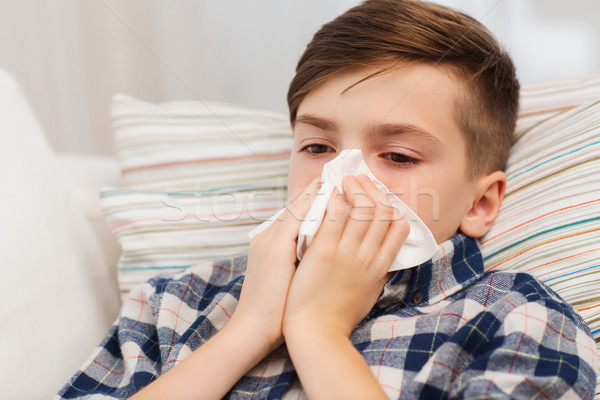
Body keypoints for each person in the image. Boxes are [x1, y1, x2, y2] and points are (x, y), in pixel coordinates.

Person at [57, 1, 598, 399]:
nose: (343, 179)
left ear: (480, 204)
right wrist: (247, 331)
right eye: (318, 147)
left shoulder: (519, 319)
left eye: (400, 156)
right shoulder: (173, 305)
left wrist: (319, 333)